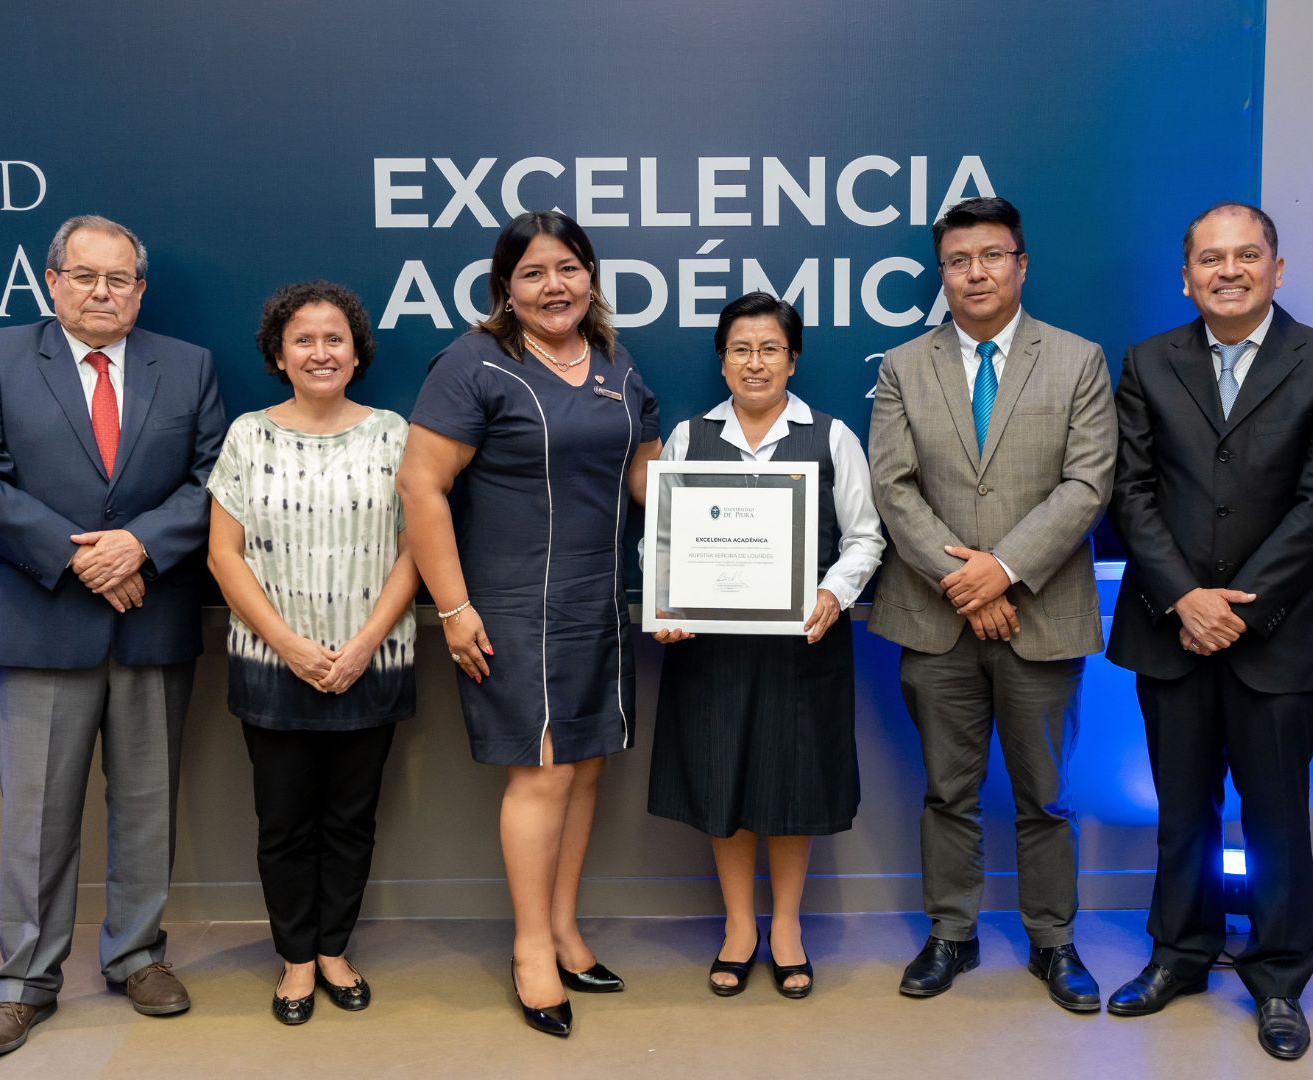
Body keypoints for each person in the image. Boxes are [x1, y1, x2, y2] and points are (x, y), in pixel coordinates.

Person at [0, 215, 224, 1058]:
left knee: (147, 807)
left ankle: (137, 956)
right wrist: (83, 561)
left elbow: (215, 478)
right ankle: (24, 983)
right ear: (52, 281)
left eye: (119, 279)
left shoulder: (188, 366)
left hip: (151, 619)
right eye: (86, 276)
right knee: (35, 818)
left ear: (140, 289)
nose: (103, 293)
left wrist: (139, 544)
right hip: (42, 621)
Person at [1104, 202, 1313, 1061]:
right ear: (1186, 277)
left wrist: (1237, 610)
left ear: (1276, 270)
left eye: (1247, 256)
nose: (1229, 271)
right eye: (1210, 259)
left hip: (1280, 637)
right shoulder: (1147, 362)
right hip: (1169, 628)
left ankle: (1279, 978)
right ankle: (1178, 955)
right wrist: (1186, 598)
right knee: (1182, 810)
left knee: (1277, 816)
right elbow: (1129, 493)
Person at [396, 211, 661, 1038]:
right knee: (542, 774)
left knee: (585, 769)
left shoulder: (615, 359)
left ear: (591, 276)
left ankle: (566, 929)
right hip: (511, 607)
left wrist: (733, 527)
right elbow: (420, 487)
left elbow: (645, 475)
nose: (555, 286)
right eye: (535, 273)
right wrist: (453, 608)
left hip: (598, 601)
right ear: (505, 288)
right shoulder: (472, 363)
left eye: (569, 268)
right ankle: (531, 949)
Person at [868, 196, 1115, 1010]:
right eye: (958, 261)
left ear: (1021, 264)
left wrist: (1003, 571)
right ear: (942, 273)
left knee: (1047, 795)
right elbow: (893, 488)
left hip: (1041, 616)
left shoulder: (1077, 360)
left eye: (991, 256)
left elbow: (1088, 484)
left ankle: (1053, 940)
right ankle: (951, 933)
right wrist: (966, 586)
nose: (975, 273)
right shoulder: (902, 366)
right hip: (936, 619)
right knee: (948, 791)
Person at [646, 292, 886, 999]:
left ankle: (786, 927)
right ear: (722, 362)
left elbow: (865, 536)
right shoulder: (689, 437)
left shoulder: (832, 436)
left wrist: (833, 593)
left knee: (792, 784)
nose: (756, 363)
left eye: (770, 349)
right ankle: (737, 927)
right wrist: (665, 603)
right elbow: (661, 538)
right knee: (722, 777)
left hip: (801, 645)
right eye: (741, 350)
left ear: (793, 359)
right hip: (710, 647)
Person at [205, 282, 418, 1025]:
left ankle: (334, 950)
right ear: (278, 355)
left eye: (335, 339)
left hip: (372, 661)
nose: (320, 352)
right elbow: (224, 555)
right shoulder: (247, 437)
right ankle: (296, 957)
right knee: (285, 822)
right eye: (303, 339)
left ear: (357, 352)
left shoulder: (394, 434)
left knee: (352, 820)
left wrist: (361, 645)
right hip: (273, 665)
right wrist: (291, 646)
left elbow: (414, 551)